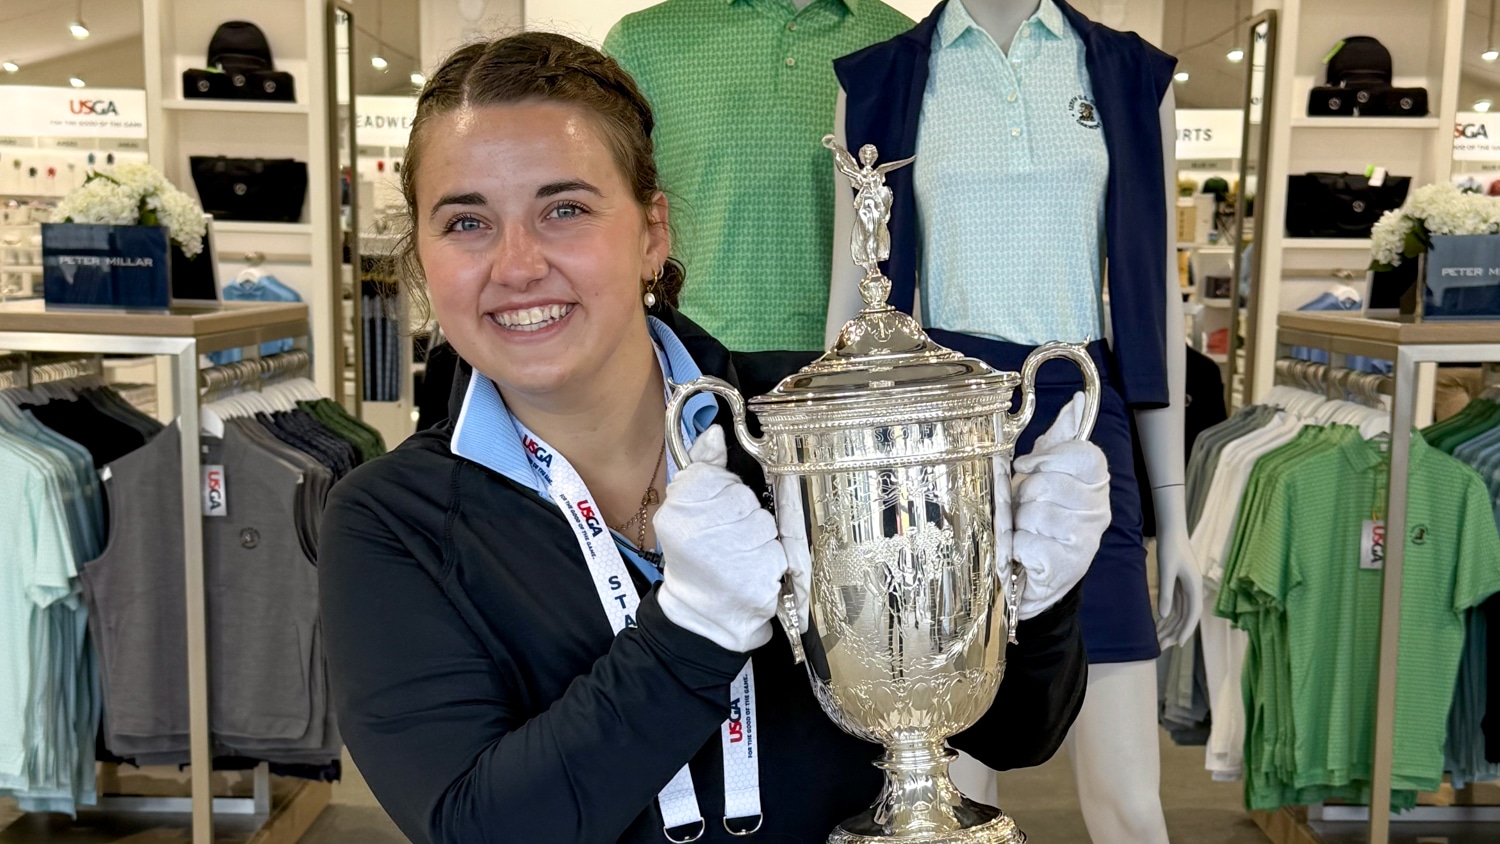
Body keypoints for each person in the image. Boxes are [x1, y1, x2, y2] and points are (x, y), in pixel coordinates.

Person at [319, 31, 1111, 844]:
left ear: (651, 234)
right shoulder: (391, 521)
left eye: (565, 210)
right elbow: (475, 827)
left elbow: (1015, 734)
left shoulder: (812, 421)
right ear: (422, 252)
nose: (517, 265)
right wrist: (689, 631)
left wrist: (1030, 601)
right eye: (466, 223)